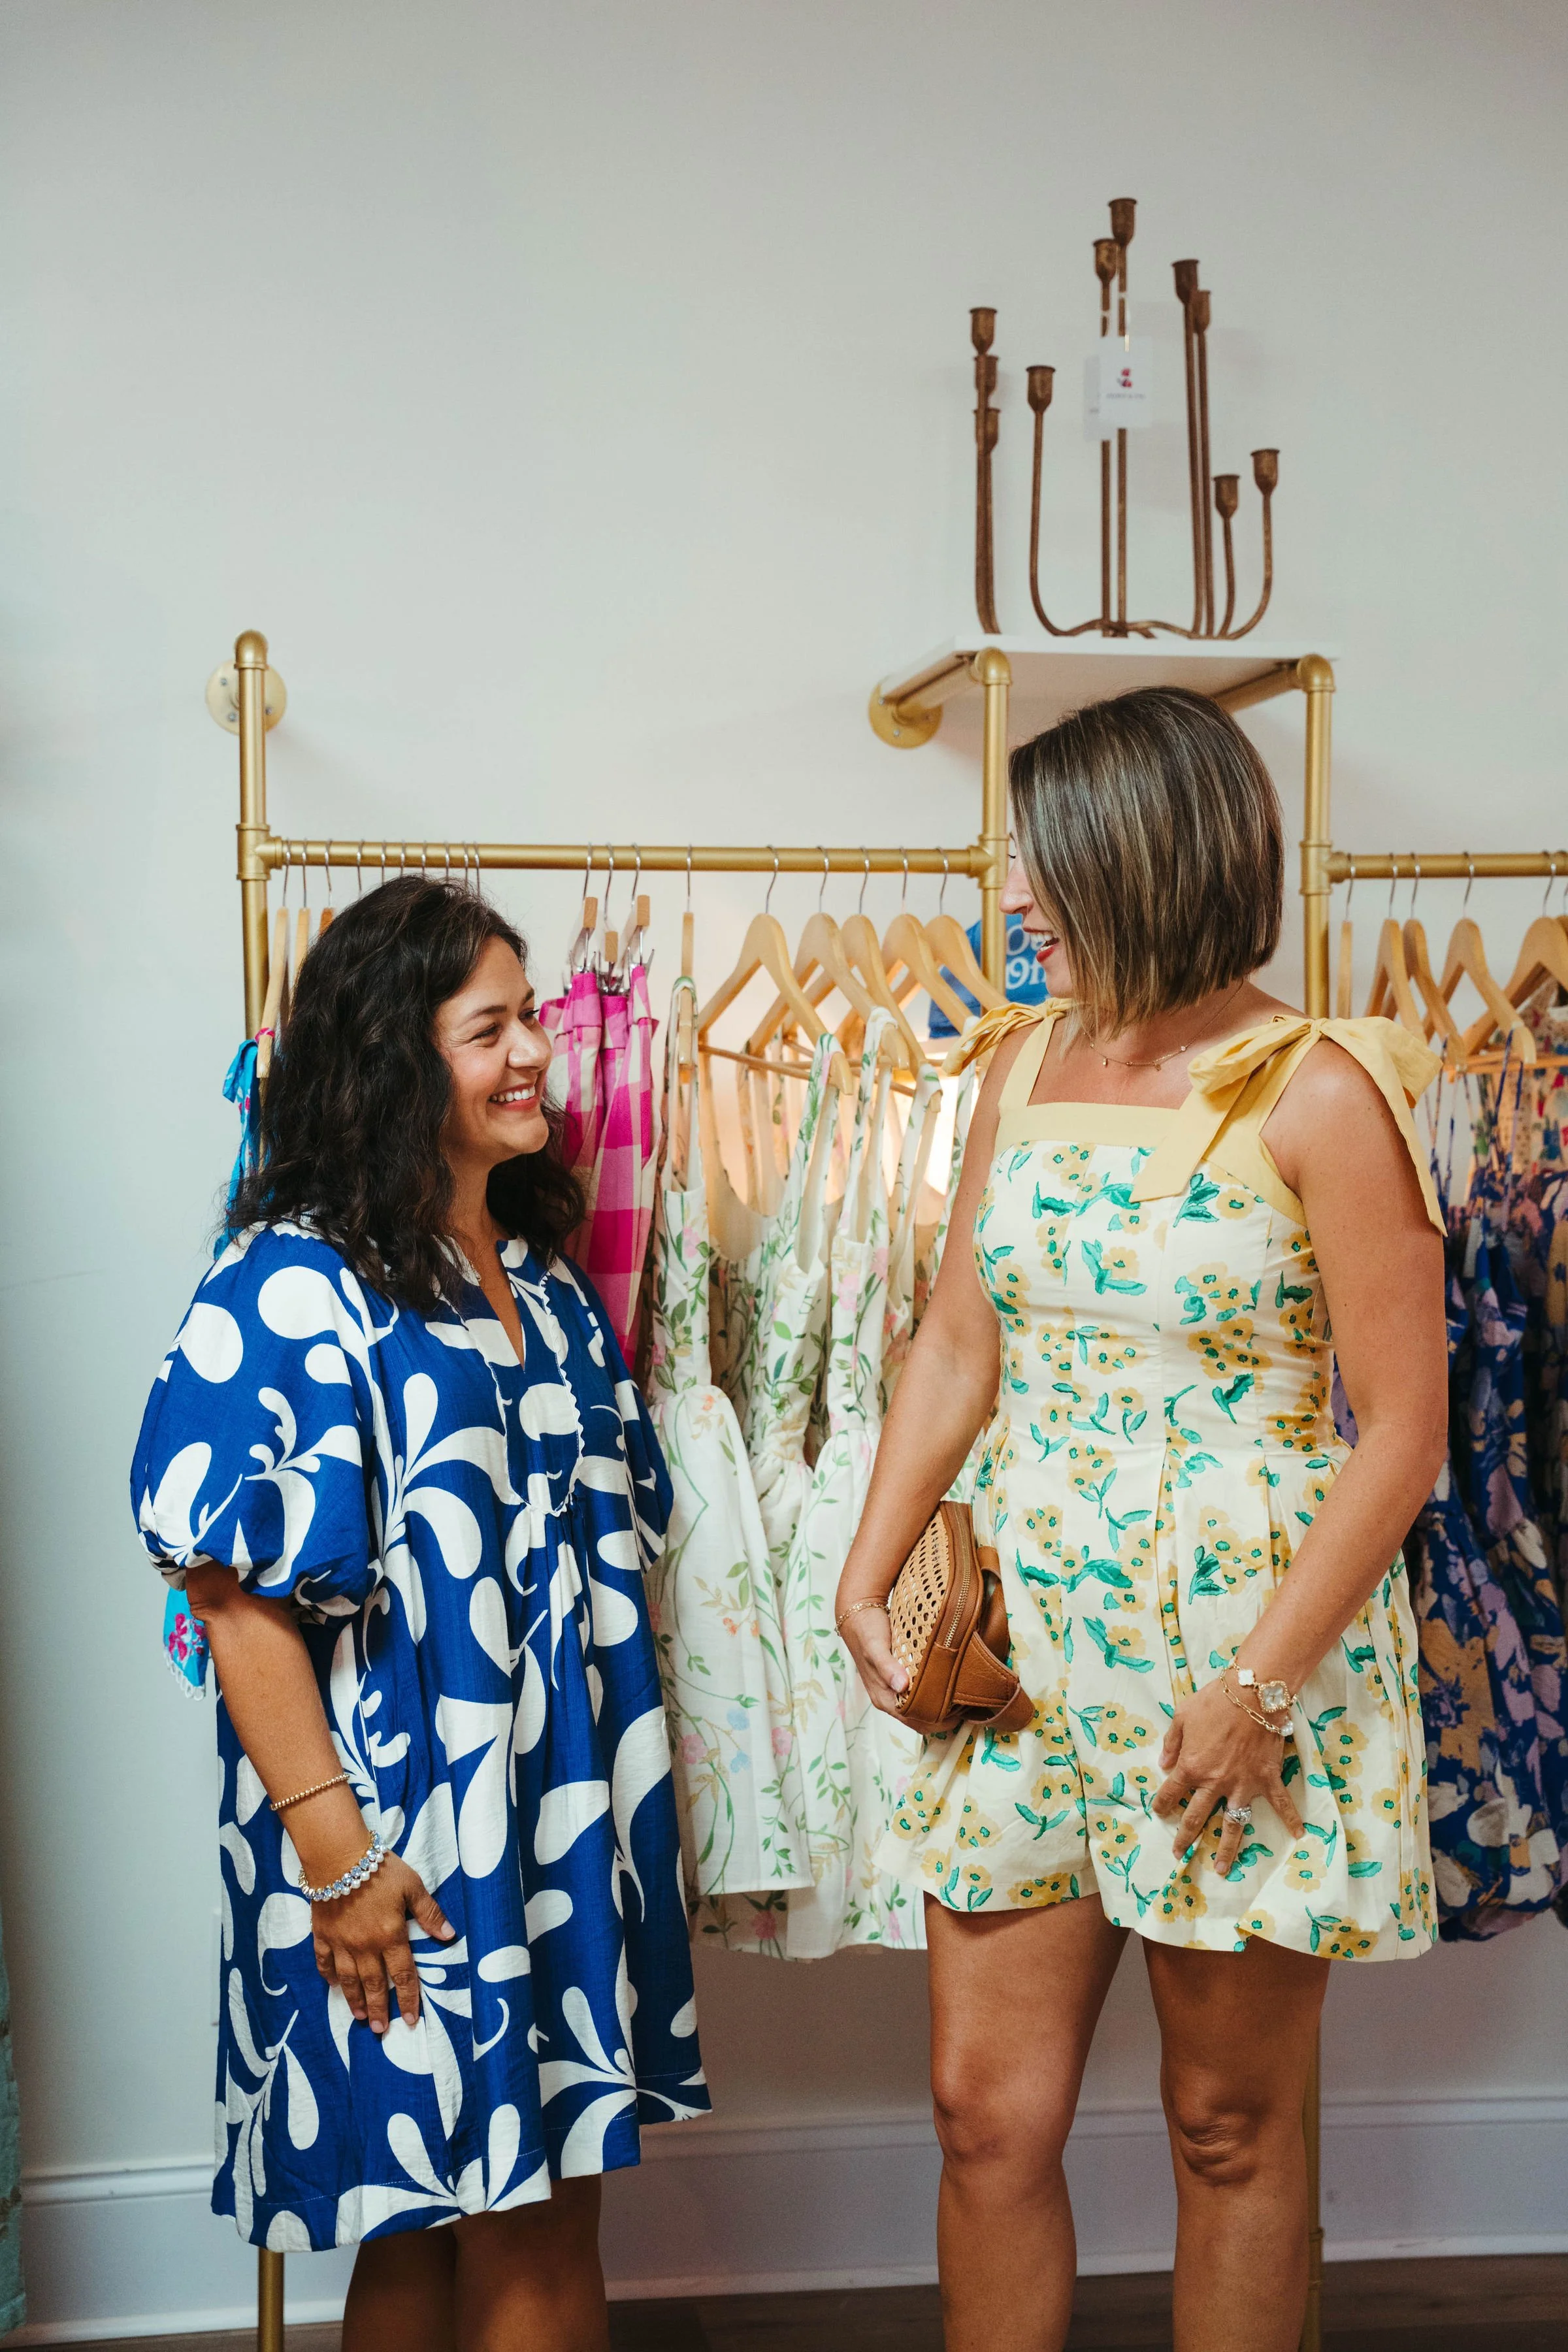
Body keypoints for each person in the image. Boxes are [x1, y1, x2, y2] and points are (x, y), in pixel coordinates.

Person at [835, 688, 1446, 2352]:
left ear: (1136, 854)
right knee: (982, 2113)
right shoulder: (1023, 1062)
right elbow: (961, 1332)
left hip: (1240, 1663)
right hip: (1026, 1649)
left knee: (1227, 2127)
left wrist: (1257, 1692)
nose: (1014, 894)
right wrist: (868, 1563)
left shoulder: (1321, 1091)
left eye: (1036, 860)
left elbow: (1405, 1435)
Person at [132, 877, 706, 2352]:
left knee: (531, 2201)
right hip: (392, 1833)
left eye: (533, 1021)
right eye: (488, 1029)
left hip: (555, 1819)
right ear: (396, 1055)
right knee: (460, 2213)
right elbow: (227, 1582)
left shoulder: (551, 1285)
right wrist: (337, 1855)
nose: (534, 1057)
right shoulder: (289, 1277)